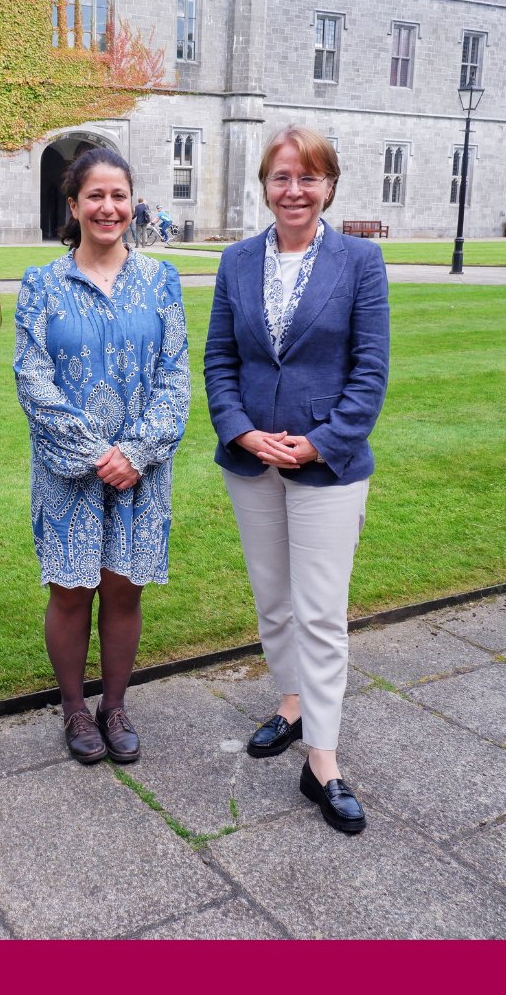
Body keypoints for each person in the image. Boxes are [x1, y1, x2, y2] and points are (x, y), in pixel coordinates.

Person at [204, 125, 389, 834]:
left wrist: (318, 445)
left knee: (319, 612)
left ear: (329, 186)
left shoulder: (359, 262)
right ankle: (290, 702)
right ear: (265, 186)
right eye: (282, 178)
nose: (294, 191)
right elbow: (220, 360)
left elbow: (369, 372)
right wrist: (242, 431)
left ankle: (324, 761)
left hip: (327, 468)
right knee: (274, 600)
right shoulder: (237, 261)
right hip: (252, 462)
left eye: (308, 178)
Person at [14, 148, 190, 765]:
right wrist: (96, 454)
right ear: (75, 205)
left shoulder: (161, 280)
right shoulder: (42, 284)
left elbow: (175, 379)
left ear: (132, 203)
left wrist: (136, 452)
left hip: (140, 474)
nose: (108, 207)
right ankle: (73, 709)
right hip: (70, 473)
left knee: (123, 592)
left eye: (119, 196)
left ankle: (114, 704)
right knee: (70, 592)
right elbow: (32, 379)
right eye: (95, 196)